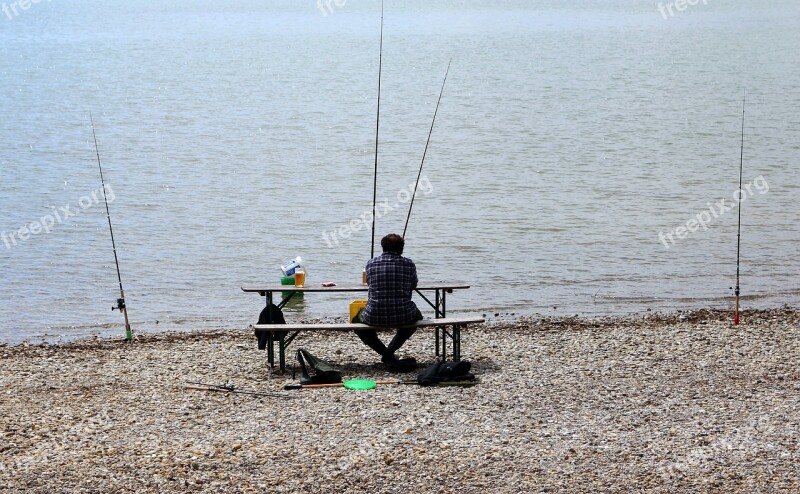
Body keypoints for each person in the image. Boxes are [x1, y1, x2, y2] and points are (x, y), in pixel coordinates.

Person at [352, 233, 423, 371]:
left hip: (374, 315)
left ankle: (386, 354)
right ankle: (389, 353)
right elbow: (413, 284)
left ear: (383, 247)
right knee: (417, 317)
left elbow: (369, 282)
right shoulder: (409, 264)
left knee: (356, 322)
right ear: (401, 249)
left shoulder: (371, 263)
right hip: (404, 315)